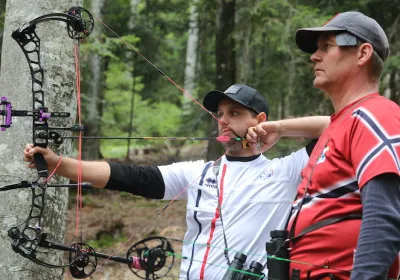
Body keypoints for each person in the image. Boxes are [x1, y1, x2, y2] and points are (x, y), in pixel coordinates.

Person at [24, 84, 329, 279]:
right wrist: (58, 164)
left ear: (258, 120)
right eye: (220, 113)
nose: (223, 120)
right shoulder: (199, 172)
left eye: (235, 113)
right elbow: (131, 177)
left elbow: (340, 125)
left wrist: (278, 128)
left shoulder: (286, 171)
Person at [248, 12, 400, 280]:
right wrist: (281, 128)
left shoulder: (376, 114)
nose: (314, 57)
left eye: (326, 47)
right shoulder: (343, 122)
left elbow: (383, 217)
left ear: (363, 54)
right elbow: (328, 123)